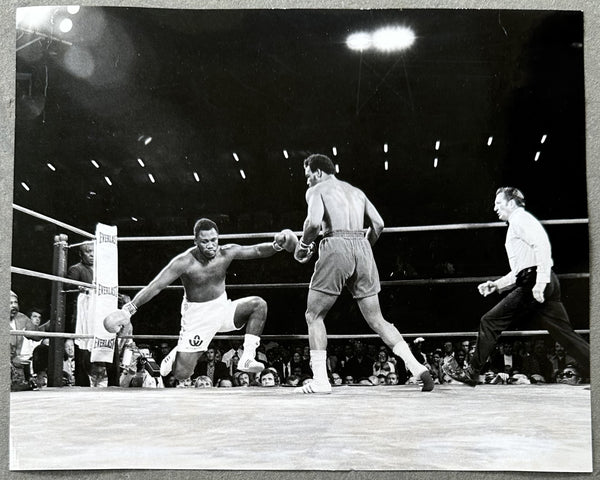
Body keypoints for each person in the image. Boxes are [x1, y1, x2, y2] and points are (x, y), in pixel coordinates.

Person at [292, 154, 434, 393]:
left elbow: (314, 224)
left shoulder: (317, 190)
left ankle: (320, 381)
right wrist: (362, 248)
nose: (306, 182)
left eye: (307, 176)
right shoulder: (357, 192)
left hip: (336, 244)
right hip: (363, 246)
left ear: (317, 172)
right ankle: (417, 367)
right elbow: (378, 224)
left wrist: (303, 246)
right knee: (377, 319)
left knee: (313, 315)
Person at [103, 217, 297, 384]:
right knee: (181, 374)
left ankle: (247, 357)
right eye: (205, 241)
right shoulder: (184, 262)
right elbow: (156, 286)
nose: (211, 245)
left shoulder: (226, 252)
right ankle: (178, 349)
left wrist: (277, 245)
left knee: (258, 304)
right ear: (195, 240)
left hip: (222, 309)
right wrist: (128, 309)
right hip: (198, 318)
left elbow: (255, 251)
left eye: (214, 240)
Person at [444, 187, 590, 386]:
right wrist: (496, 285)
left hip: (536, 281)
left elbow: (542, 247)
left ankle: (472, 371)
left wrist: (539, 283)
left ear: (511, 203)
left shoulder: (520, 220)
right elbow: (520, 270)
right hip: (542, 279)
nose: (495, 208)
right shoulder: (519, 222)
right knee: (565, 334)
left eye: (498, 203)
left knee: (490, 321)